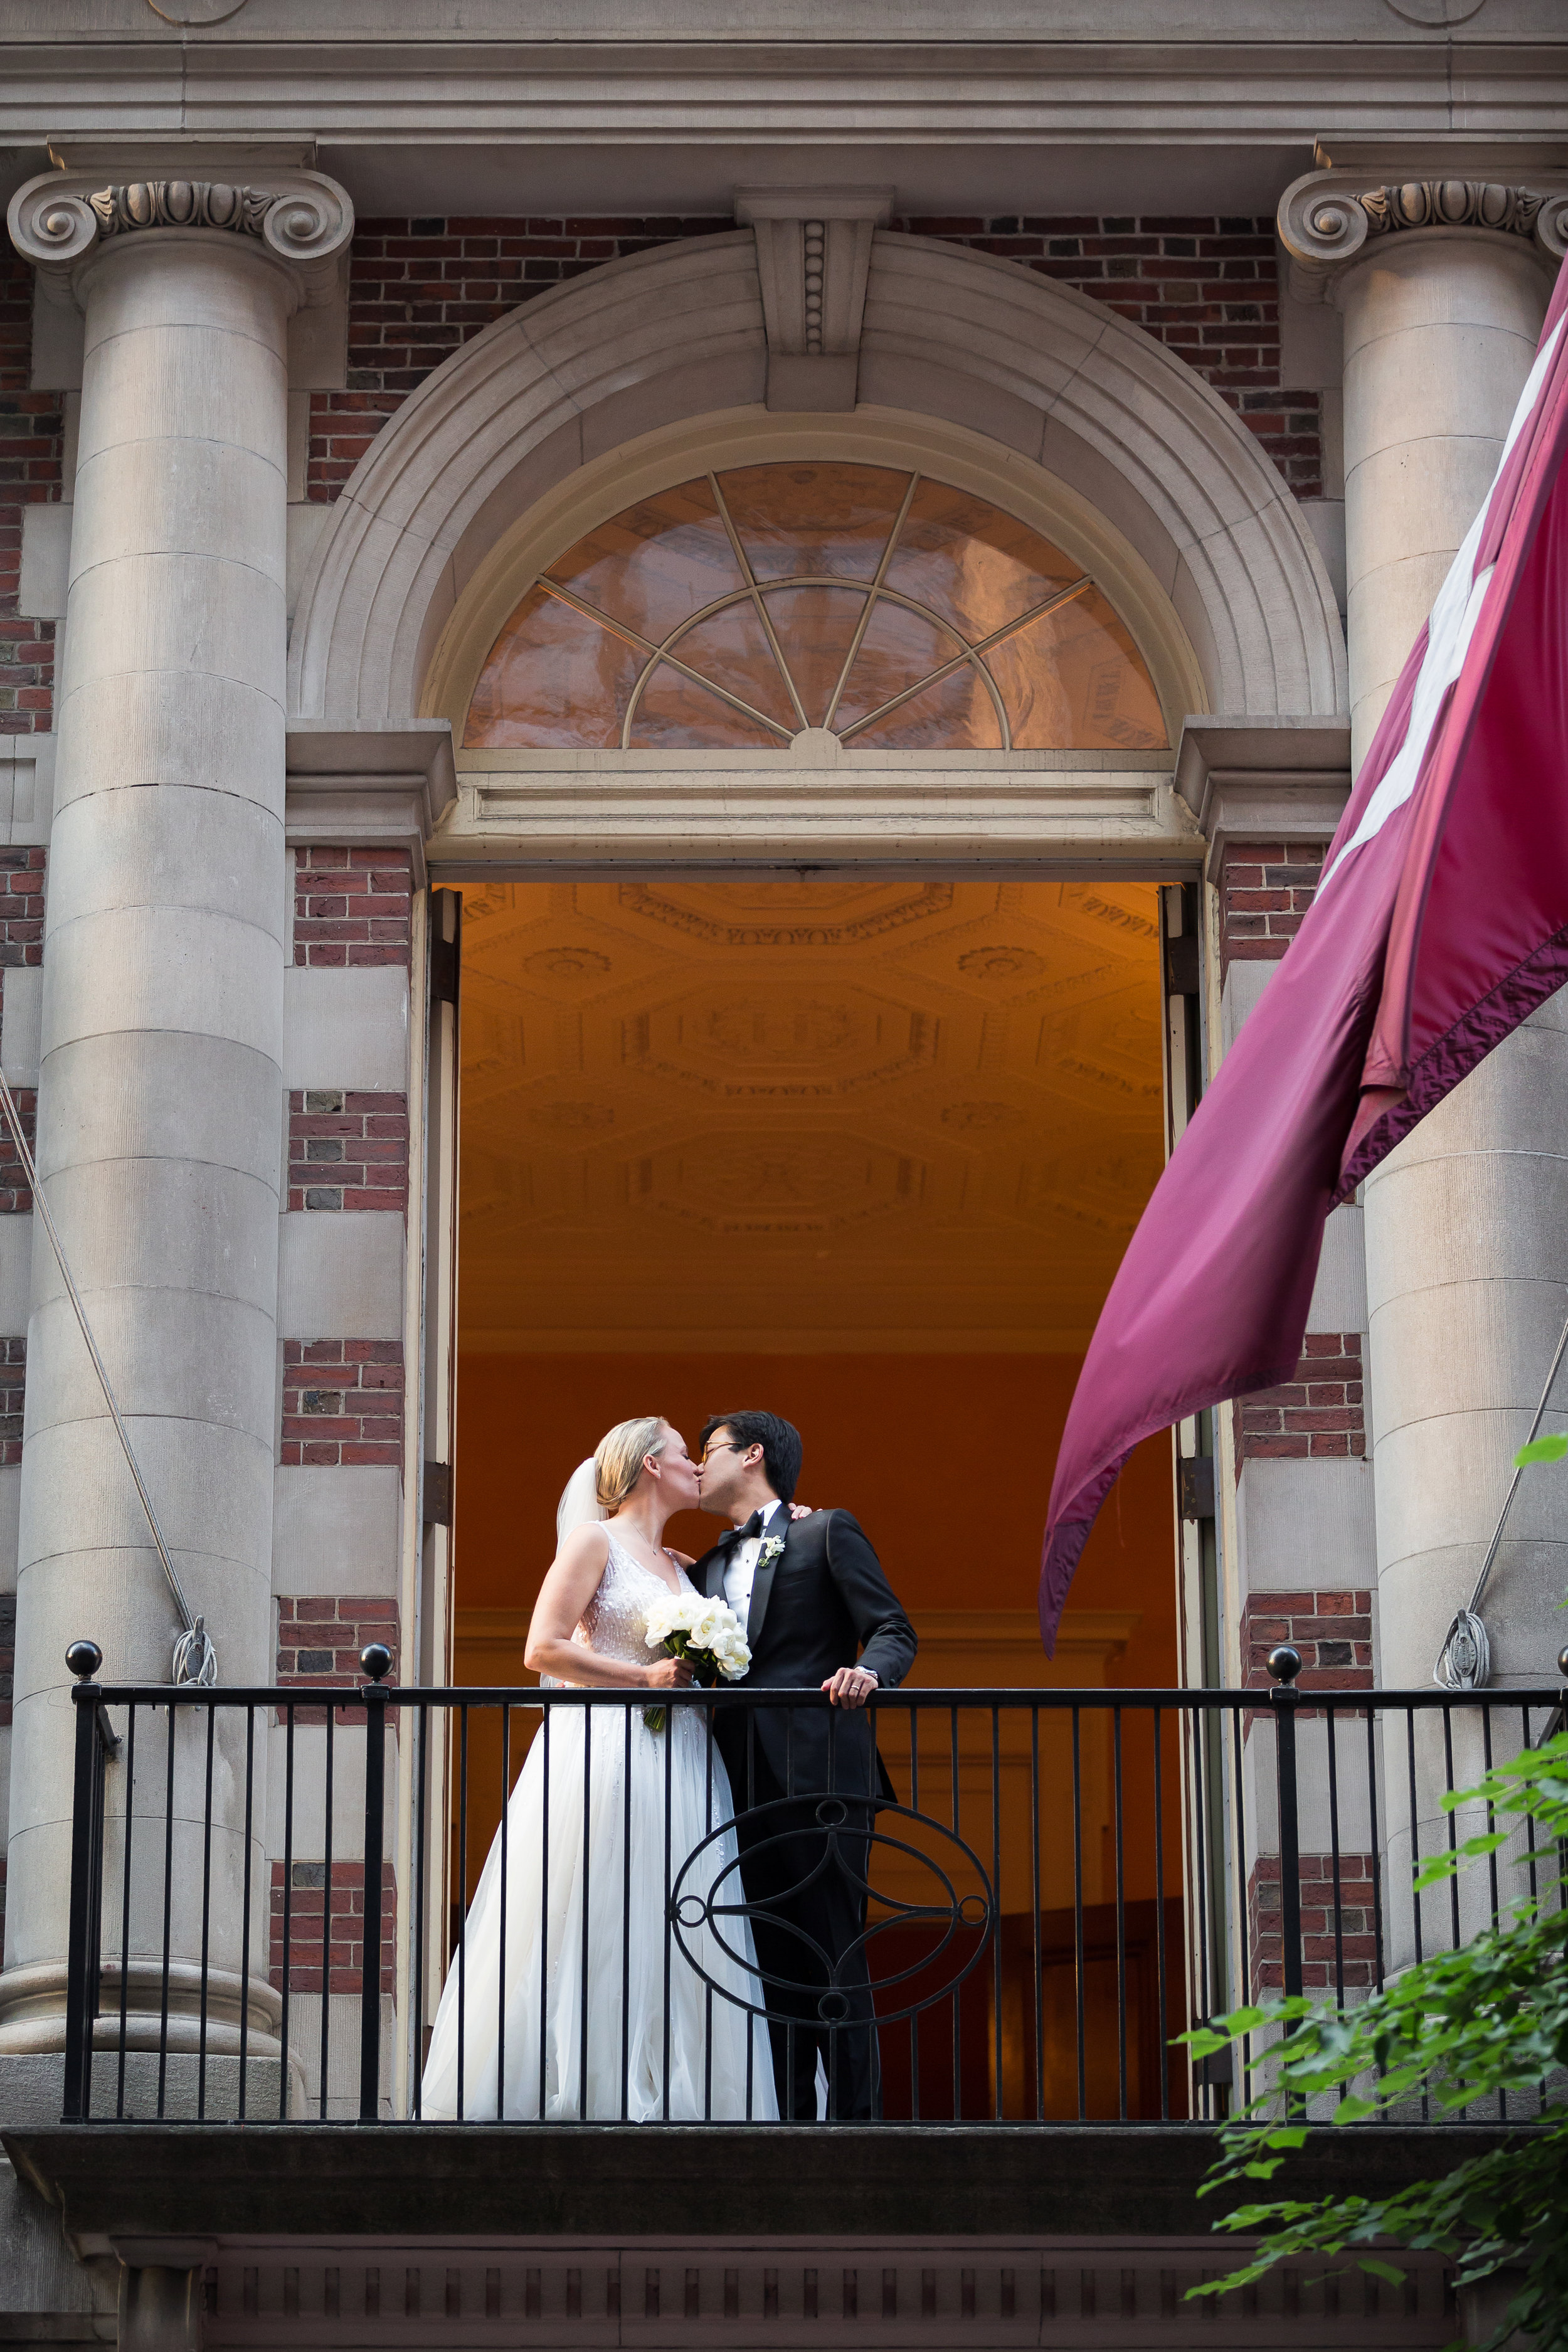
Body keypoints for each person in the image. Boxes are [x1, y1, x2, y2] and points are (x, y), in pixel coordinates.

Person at [420, 1417, 779, 2122]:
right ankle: (584, 2084)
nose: (696, 1467)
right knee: (601, 1902)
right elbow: (542, 1649)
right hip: (608, 1749)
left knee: (679, 1910)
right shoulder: (595, 1542)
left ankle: (681, 2091)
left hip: (682, 1757)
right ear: (650, 1465)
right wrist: (640, 1680)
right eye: (684, 1454)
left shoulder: (682, 1566)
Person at [692, 1411, 916, 2121]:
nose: (699, 1465)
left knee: (833, 1952)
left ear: (752, 1454)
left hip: (822, 1774)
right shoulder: (702, 1567)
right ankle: (789, 2126)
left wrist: (870, 1675)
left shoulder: (825, 1531)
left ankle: (858, 2130)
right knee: (767, 1962)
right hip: (736, 1780)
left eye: (710, 1450)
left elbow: (891, 1627)